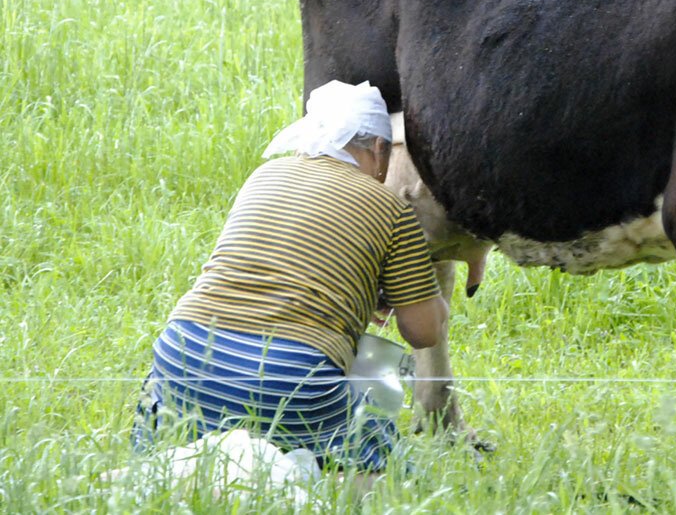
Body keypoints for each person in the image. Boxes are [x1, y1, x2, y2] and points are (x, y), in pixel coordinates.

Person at [133, 80, 448, 472]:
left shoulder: (264, 176)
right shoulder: (389, 207)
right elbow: (424, 332)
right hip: (291, 373)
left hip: (184, 353)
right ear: (381, 150)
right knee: (387, 472)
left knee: (178, 468)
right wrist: (433, 297)